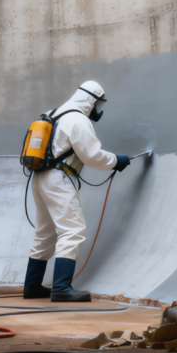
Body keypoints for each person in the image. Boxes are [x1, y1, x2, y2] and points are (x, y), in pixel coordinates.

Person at [24, 81, 130, 302]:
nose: (97, 110)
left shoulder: (53, 113)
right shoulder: (78, 119)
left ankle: (32, 287)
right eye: (97, 105)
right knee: (73, 230)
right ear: (91, 100)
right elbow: (91, 155)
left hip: (40, 178)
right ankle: (61, 288)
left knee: (46, 232)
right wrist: (115, 161)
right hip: (59, 179)